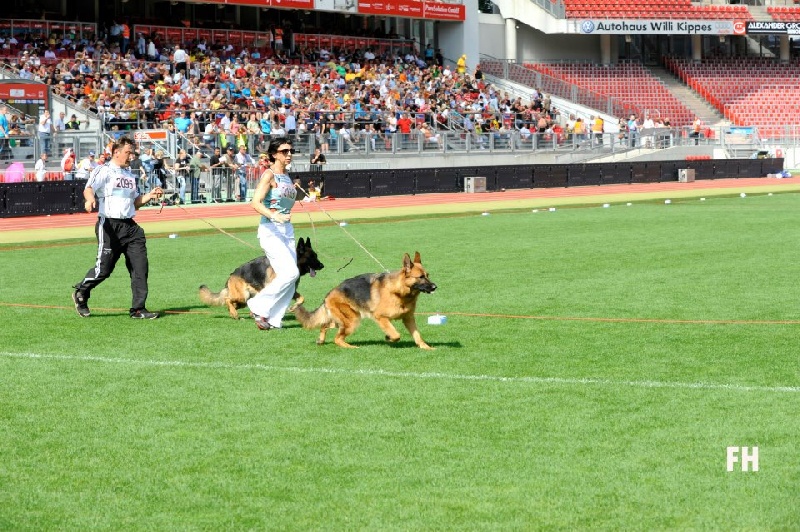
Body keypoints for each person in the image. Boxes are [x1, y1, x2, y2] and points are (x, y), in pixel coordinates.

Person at [71, 136, 163, 319]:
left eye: (132, 153)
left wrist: (150, 195)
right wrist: (90, 199)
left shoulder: (130, 175)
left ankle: (138, 309)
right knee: (103, 270)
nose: (131, 156)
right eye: (128, 152)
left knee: (140, 267)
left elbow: (135, 203)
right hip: (109, 225)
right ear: (116, 152)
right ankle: (81, 292)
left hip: (131, 227)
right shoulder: (104, 170)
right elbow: (89, 188)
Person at [247, 137, 298, 330]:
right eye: (285, 151)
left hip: (287, 230)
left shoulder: (287, 176)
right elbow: (255, 202)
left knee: (292, 278)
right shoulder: (269, 175)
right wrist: (274, 215)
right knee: (290, 272)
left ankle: (274, 319)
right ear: (274, 154)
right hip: (271, 229)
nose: (289, 154)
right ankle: (258, 306)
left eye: (290, 151)